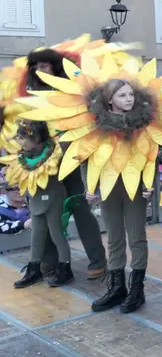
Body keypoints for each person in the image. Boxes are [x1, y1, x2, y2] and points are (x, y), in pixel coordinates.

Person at [24, 49, 107, 280]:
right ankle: (48, 262)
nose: (41, 70)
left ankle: (97, 260)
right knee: (44, 210)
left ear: (56, 68)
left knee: (79, 206)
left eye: (45, 66)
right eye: (37, 67)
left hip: (71, 157)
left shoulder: (71, 91)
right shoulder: (31, 95)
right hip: (43, 162)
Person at [85, 79, 154, 314]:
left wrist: (149, 185)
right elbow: (88, 157)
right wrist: (89, 188)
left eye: (131, 94)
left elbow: (150, 155)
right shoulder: (96, 126)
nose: (129, 99)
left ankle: (137, 290)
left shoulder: (142, 124)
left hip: (134, 188)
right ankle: (117, 288)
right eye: (122, 95)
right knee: (114, 238)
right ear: (109, 99)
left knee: (136, 238)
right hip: (108, 187)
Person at [6, 120, 75, 288]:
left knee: (56, 233)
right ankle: (33, 270)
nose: (19, 141)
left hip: (53, 198)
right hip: (36, 200)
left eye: (22, 138)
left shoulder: (54, 152)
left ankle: (65, 269)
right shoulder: (22, 157)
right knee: (36, 236)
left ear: (36, 138)